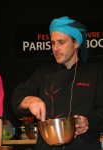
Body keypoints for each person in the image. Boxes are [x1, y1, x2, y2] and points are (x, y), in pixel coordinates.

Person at [11, 16, 103, 150]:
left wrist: (89, 121)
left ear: (76, 43)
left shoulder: (96, 72)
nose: (56, 48)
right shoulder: (43, 74)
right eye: (53, 43)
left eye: (61, 42)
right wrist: (30, 100)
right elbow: (17, 97)